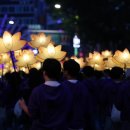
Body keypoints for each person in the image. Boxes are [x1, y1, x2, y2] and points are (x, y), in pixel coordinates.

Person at [19, 58, 72, 130]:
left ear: (44, 73)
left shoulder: (37, 91)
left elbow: (33, 114)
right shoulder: (66, 90)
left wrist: (23, 106)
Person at [62, 59, 91, 130]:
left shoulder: (62, 87)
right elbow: (87, 107)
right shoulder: (83, 86)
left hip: (65, 123)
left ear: (66, 72)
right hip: (80, 123)